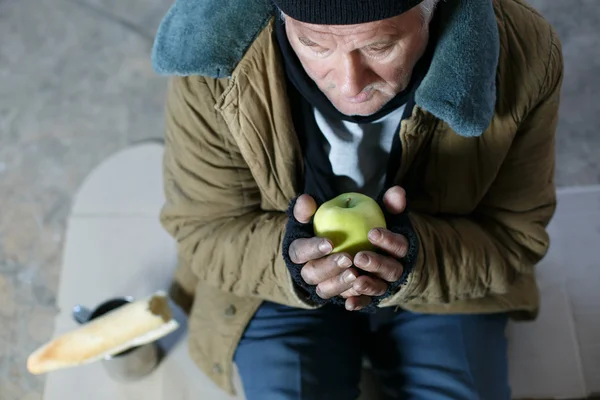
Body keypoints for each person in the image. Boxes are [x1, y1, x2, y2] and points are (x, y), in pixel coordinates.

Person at [153, 0, 563, 398]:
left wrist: (418, 259)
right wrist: (290, 262)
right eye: (315, 44)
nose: (350, 84)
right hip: (269, 280)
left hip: (445, 277)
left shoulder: (522, 52)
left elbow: (516, 234)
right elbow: (205, 226)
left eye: (379, 47)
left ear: (433, 8)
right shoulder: (211, 52)